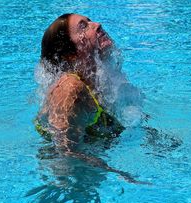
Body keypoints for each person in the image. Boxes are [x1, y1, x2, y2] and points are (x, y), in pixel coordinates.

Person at [35, 13, 125, 150]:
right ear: (70, 55)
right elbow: (64, 152)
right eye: (83, 26)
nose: (97, 24)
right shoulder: (69, 87)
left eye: (90, 21)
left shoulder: (100, 83)